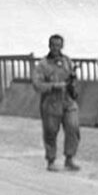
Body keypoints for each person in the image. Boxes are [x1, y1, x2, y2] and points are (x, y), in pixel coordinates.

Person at [31, 34, 80, 171]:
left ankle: (69, 158)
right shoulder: (43, 65)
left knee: (73, 127)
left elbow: (73, 79)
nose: (56, 48)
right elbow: (37, 84)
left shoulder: (67, 61)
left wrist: (73, 83)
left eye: (58, 45)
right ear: (49, 46)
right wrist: (53, 85)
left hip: (68, 100)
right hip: (51, 102)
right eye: (53, 45)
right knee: (51, 131)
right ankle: (51, 159)